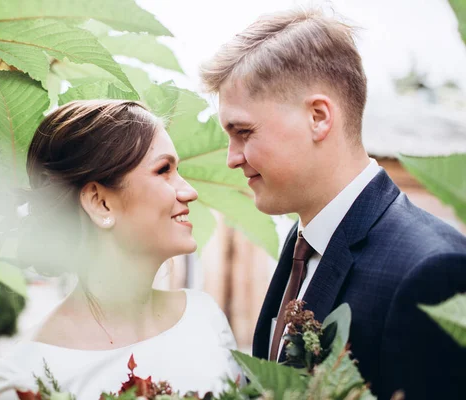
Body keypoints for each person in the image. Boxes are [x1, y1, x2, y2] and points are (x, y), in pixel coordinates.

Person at [199, 8, 466, 400]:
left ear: (319, 118)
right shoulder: (302, 242)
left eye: (244, 132)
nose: (231, 158)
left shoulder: (431, 269)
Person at [0, 100, 243, 399]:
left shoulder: (204, 318)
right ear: (100, 203)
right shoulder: (20, 380)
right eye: (164, 170)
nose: (189, 191)